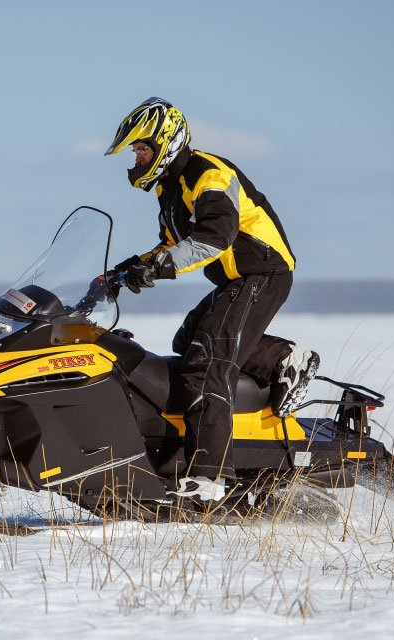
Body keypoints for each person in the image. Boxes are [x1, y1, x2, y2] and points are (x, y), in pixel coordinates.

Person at [104, 97, 319, 505]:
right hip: (239, 278)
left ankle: (210, 477)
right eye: (134, 151)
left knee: (206, 364)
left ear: (165, 143)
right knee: (189, 341)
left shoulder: (207, 175)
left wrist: (159, 268)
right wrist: (126, 270)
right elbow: (173, 244)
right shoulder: (171, 189)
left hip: (262, 272)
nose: (136, 157)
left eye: (141, 148)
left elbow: (213, 238)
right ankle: (280, 358)